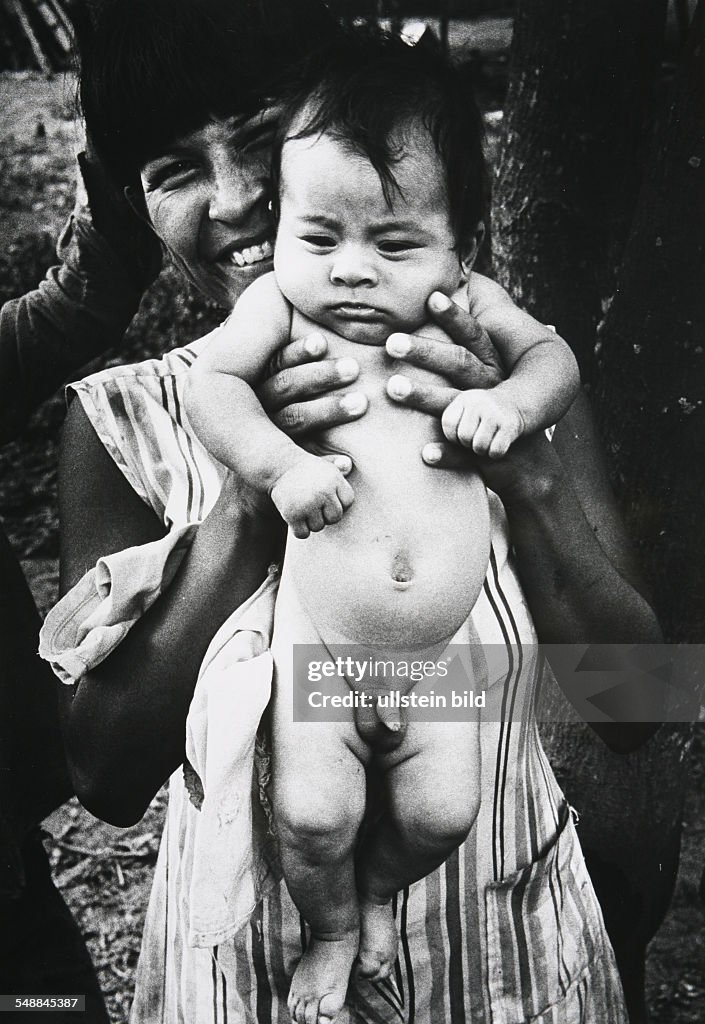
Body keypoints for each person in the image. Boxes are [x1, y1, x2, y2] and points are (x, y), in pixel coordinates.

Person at [38, 1, 661, 1021]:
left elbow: (638, 703)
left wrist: (526, 479)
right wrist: (246, 502)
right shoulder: (124, 425)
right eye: (172, 170)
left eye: (253, 135)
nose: (235, 199)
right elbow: (100, 769)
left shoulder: (503, 379)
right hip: (253, 986)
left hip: (502, 963)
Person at [184, 33, 579, 1023]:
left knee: (443, 812)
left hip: (441, 658)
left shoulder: (467, 317)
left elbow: (555, 358)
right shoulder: (280, 310)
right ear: (282, 231)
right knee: (313, 814)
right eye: (320, 238)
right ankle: (330, 928)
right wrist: (277, 468)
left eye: (394, 243)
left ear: (460, 245)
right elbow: (210, 383)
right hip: (323, 651)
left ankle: (376, 898)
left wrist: (517, 407)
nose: (353, 271)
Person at [0, 137, 160, 1018]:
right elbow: (112, 769)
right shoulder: (122, 430)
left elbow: (85, 296)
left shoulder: (521, 402)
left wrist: (122, 92)